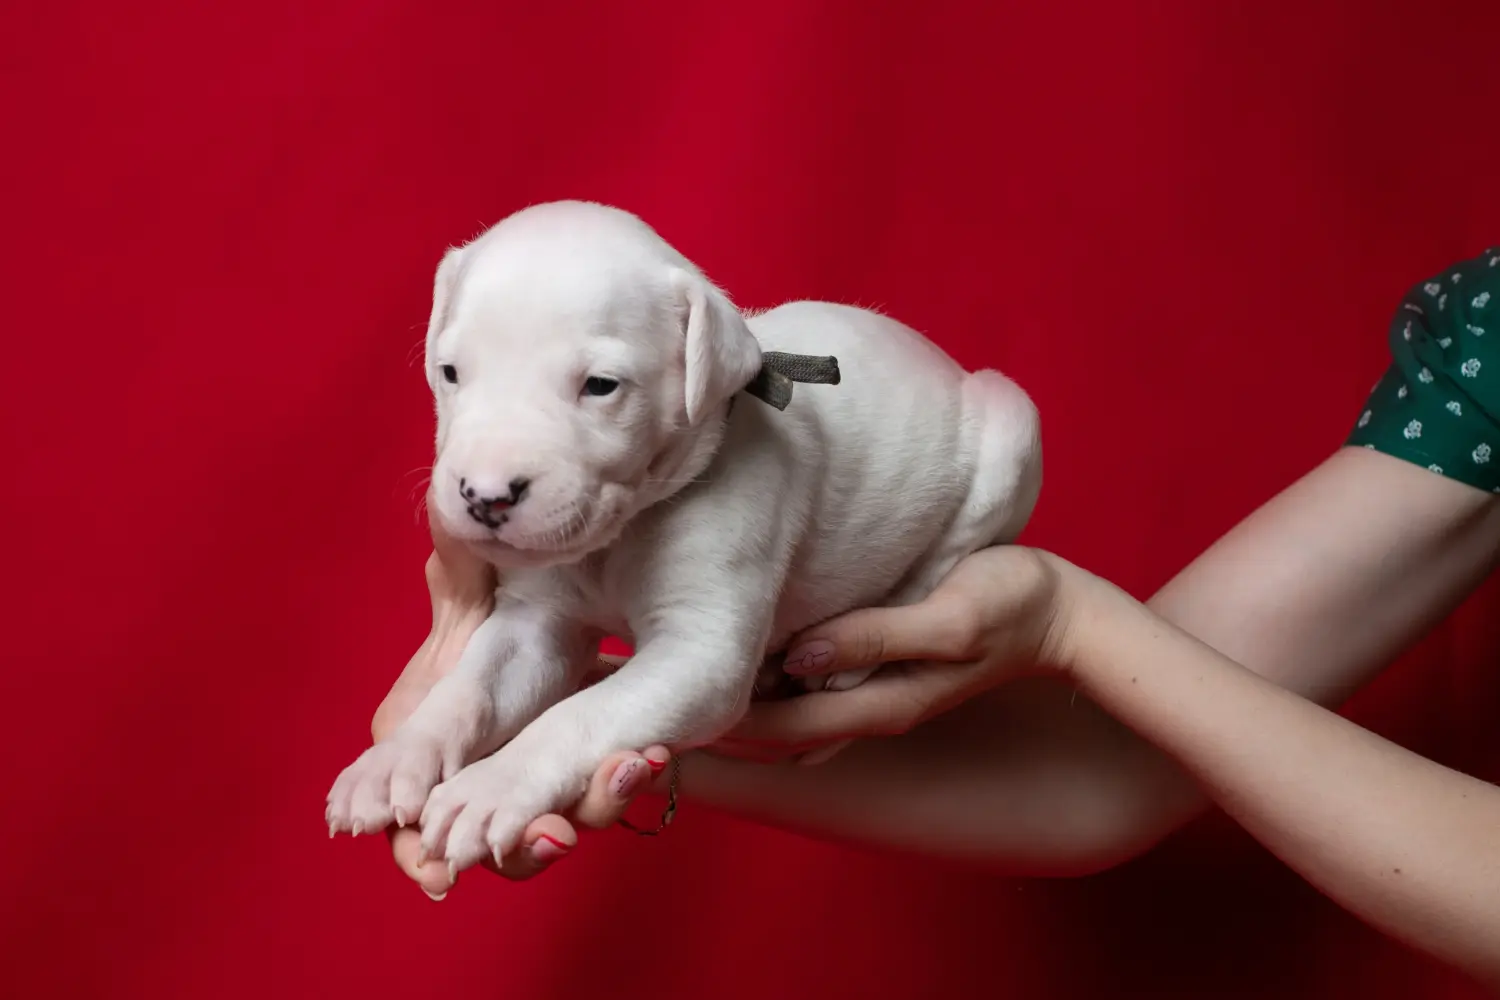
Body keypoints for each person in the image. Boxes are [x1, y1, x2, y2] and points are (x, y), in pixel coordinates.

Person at [371, 250, 1500, 983]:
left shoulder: (729, 439)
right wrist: (526, 731)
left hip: (896, 501)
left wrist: (1061, 618)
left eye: (598, 385)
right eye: (454, 375)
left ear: (702, 364)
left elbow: (696, 667)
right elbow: (1118, 770)